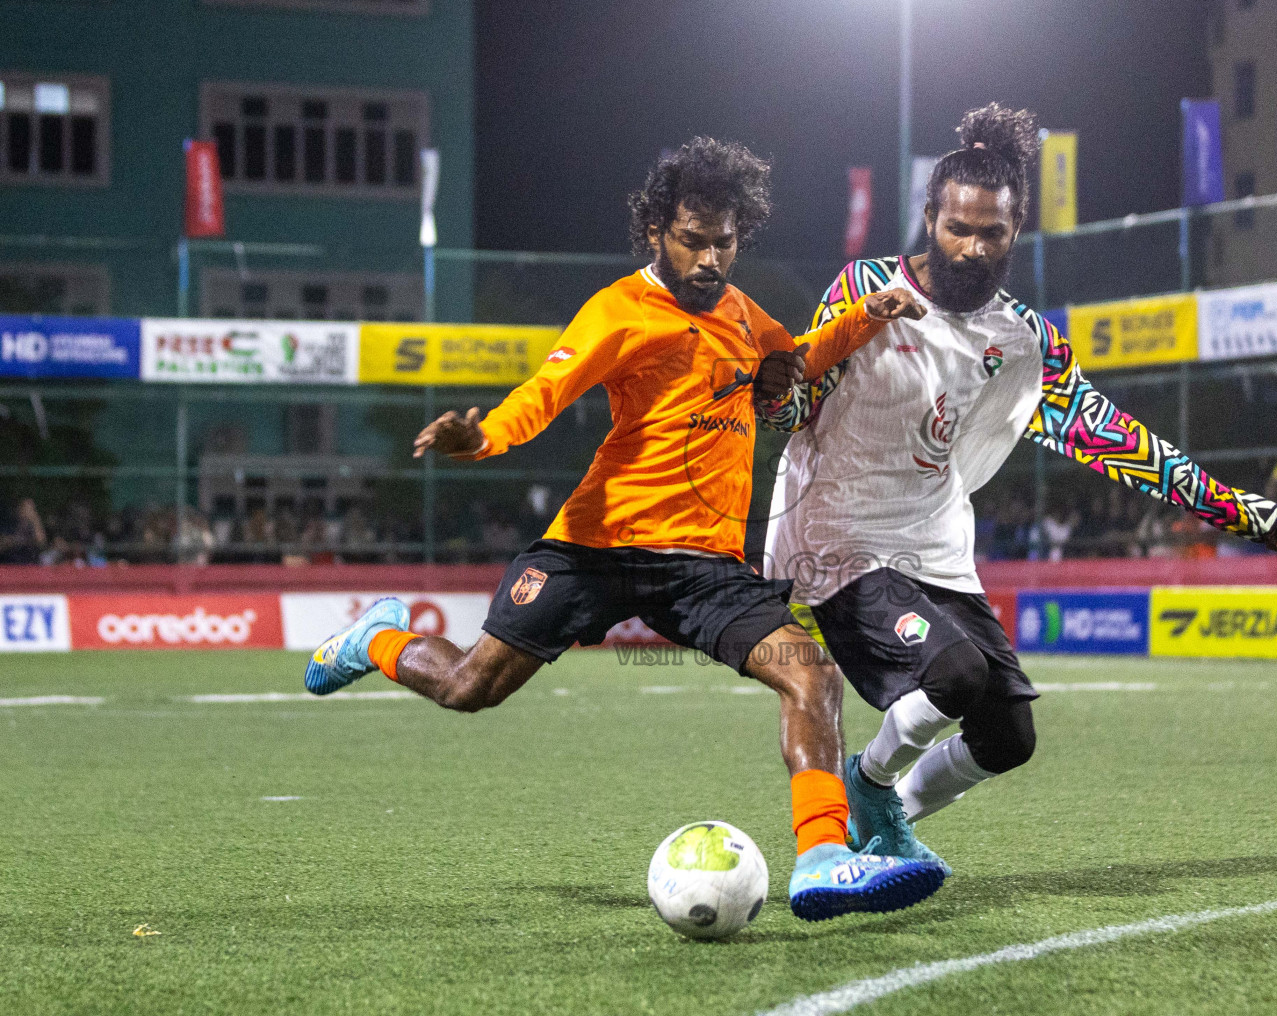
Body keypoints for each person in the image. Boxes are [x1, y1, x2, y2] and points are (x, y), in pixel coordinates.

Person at [303, 138, 944, 922]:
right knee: (470, 687)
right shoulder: (618, 312)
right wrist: (484, 438)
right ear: (657, 233)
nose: (710, 259)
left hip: (704, 568)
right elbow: (543, 393)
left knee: (809, 672)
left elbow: (800, 363)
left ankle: (822, 858)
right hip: (595, 551)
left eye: (724, 242)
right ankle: (377, 639)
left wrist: (868, 316)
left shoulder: (744, 316)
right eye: (693, 240)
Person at [758, 104, 1277, 873]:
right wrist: (774, 389)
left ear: (1017, 229)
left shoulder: (1026, 342)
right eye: (959, 228)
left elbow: (1120, 442)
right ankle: (868, 785)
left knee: (1008, 739)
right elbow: (797, 406)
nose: (974, 247)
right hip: (836, 538)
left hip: (929, 544)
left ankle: (883, 825)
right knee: (954, 673)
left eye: (993, 232)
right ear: (929, 218)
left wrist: (1247, 515)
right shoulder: (866, 289)